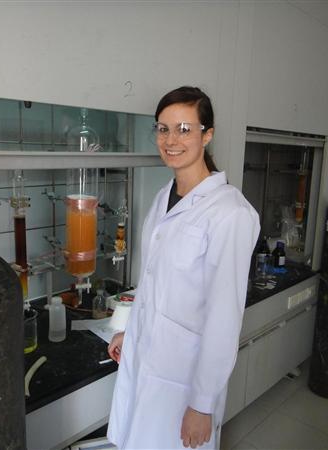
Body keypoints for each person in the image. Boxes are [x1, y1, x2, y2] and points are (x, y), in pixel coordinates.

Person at [106, 86, 260, 449]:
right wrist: (133, 331)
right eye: (163, 129)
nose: (171, 140)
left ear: (207, 135)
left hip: (184, 380)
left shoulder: (231, 213)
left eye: (184, 129)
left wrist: (202, 405)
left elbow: (225, 317)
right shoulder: (165, 196)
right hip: (149, 358)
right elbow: (154, 280)